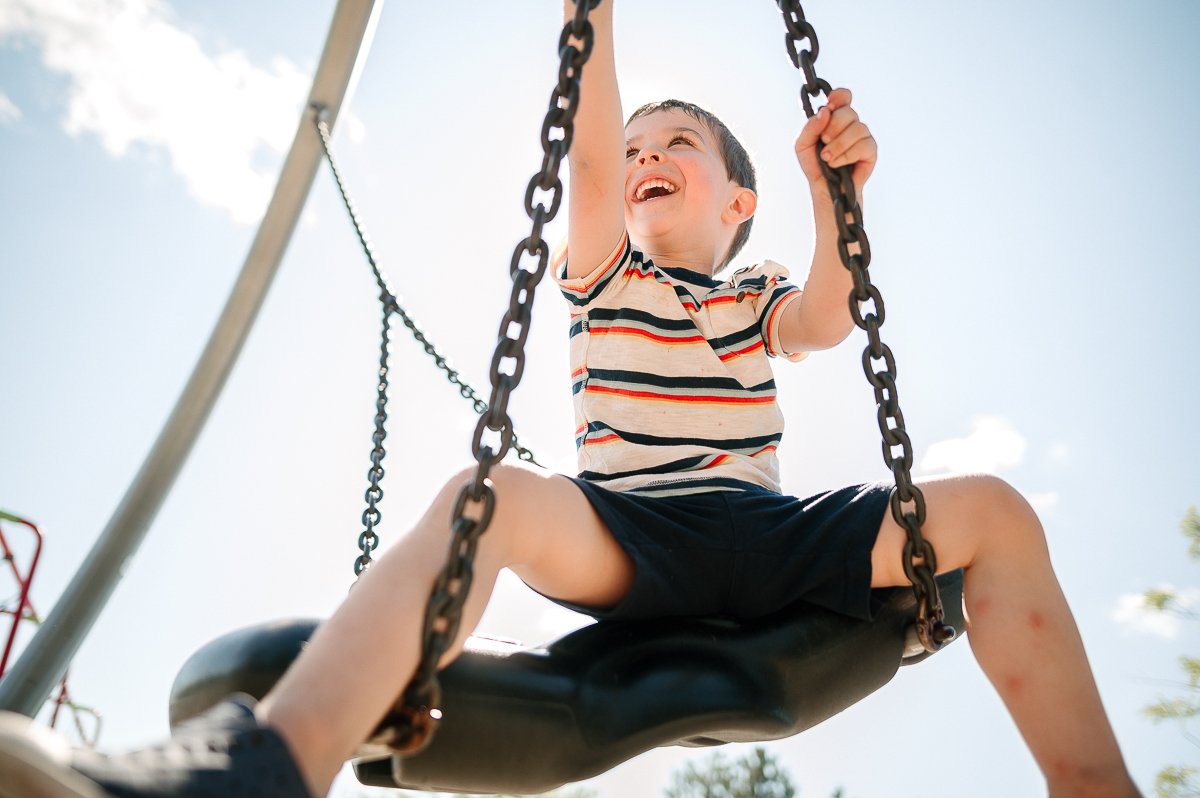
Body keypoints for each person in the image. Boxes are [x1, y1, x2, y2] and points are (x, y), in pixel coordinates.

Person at [0, 3, 1142, 797]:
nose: (649, 153)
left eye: (680, 143)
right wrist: (587, 23)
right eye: (643, 142)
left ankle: (1089, 782)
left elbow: (833, 319)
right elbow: (589, 144)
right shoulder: (604, 273)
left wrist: (834, 194)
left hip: (769, 534)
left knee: (992, 508)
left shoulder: (753, 293)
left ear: (738, 198)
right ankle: (261, 769)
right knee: (488, 494)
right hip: (627, 534)